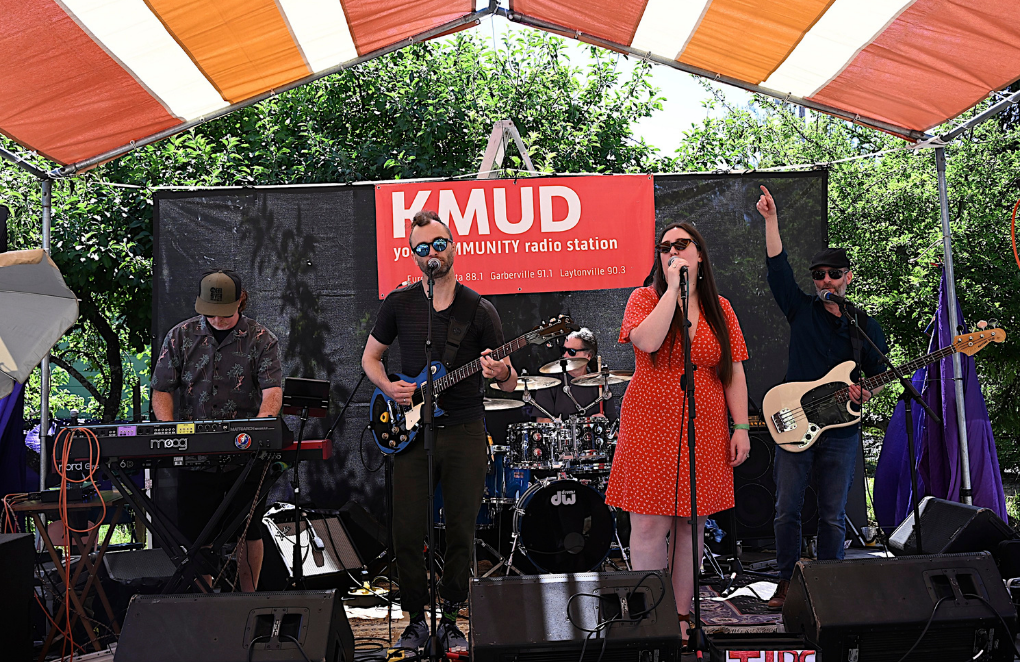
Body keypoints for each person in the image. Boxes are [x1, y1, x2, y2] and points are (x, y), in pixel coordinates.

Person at [362, 210, 517, 654]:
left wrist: (500, 370)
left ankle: (450, 618)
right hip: (412, 432)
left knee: (461, 531)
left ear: (454, 246)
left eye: (439, 244)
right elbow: (370, 358)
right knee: (407, 532)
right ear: (413, 255)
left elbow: (508, 380)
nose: (432, 253)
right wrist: (388, 386)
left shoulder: (479, 309)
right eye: (422, 247)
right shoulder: (399, 303)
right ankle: (415, 620)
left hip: (465, 430)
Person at [605, 222, 750, 645]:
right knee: (649, 525)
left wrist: (741, 426)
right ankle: (651, 616)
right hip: (650, 419)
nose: (672, 251)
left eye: (681, 244)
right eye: (664, 246)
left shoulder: (721, 308)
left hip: (704, 423)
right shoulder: (644, 298)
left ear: (699, 253)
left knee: (691, 524)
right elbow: (648, 342)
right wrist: (672, 290)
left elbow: (734, 371)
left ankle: (682, 616)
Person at [756, 186, 887, 610]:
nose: (825, 280)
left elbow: (879, 374)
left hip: (841, 429)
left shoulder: (863, 325)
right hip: (795, 421)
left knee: (833, 514)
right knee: (786, 509)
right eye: (818, 275)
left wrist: (867, 390)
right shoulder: (801, 309)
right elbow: (778, 268)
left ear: (848, 277)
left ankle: (830, 587)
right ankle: (785, 583)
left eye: (833, 273)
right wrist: (771, 220)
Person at [150, 269, 283, 592]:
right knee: (198, 532)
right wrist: (169, 432)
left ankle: (248, 597)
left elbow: (272, 392)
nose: (218, 320)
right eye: (211, 313)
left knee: (248, 528)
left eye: (224, 313)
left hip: (246, 454)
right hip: (195, 455)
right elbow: (162, 389)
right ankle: (205, 599)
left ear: (241, 301)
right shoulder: (180, 336)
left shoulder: (261, 339)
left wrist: (260, 430)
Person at [533, 327, 619, 422]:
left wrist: (601, 423)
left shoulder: (600, 385)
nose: (565, 355)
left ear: (588, 355)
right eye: (563, 350)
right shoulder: (550, 382)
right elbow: (542, 421)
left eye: (571, 352)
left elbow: (612, 425)